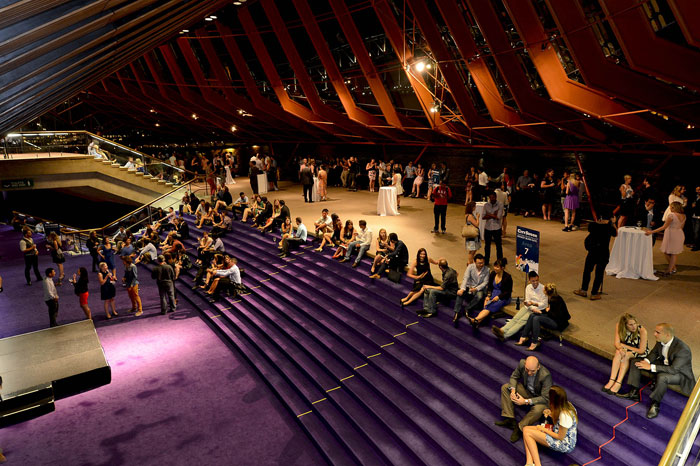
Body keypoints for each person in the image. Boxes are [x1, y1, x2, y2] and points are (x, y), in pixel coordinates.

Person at [617, 323, 695, 419]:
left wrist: (650, 367)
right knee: (635, 362)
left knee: (662, 377)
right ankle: (634, 392)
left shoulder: (683, 349)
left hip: (679, 374)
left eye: (657, 332)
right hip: (664, 365)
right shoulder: (660, 340)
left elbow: (673, 369)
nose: (654, 334)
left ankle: (655, 404)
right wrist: (645, 362)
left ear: (667, 335)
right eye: (655, 331)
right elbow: (653, 353)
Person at [495, 356, 552, 443]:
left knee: (538, 409)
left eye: (532, 371)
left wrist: (525, 401)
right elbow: (514, 377)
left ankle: (519, 428)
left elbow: (545, 398)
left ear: (538, 367)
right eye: (527, 369)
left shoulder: (545, 375)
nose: (529, 373)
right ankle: (510, 419)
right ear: (525, 364)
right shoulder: (522, 363)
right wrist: (513, 391)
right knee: (506, 387)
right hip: (527, 391)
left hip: (539, 398)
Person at [522, 385, 578, 466]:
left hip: (564, 443)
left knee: (528, 433)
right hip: (557, 430)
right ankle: (529, 463)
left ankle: (538, 464)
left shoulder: (565, 415)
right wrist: (550, 413)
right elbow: (559, 418)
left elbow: (560, 437)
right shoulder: (567, 404)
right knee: (526, 428)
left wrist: (543, 429)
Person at [573, 213, 618, 300]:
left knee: (587, 271)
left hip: (592, 251)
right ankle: (594, 293)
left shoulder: (592, 225)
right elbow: (615, 234)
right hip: (603, 253)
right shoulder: (609, 227)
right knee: (599, 273)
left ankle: (583, 290)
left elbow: (591, 230)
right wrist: (613, 223)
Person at [602, 313, 648, 395]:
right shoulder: (619, 326)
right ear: (625, 325)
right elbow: (616, 343)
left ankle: (618, 382)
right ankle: (612, 380)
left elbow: (641, 351)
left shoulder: (642, 330)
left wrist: (624, 347)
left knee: (626, 355)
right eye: (630, 325)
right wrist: (621, 349)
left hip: (638, 351)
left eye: (635, 323)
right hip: (626, 348)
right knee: (618, 352)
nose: (634, 326)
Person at [515, 283, 570, 351]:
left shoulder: (555, 300)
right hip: (552, 317)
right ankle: (523, 336)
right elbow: (548, 310)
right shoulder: (551, 297)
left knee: (536, 318)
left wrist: (547, 311)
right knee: (532, 315)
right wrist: (541, 311)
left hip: (557, 323)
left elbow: (556, 316)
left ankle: (535, 342)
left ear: (546, 292)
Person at [646, 201, 685, 276]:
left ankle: (670, 270)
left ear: (674, 207)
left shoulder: (672, 215)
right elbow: (681, 227)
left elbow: (663, 227)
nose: (670, 209)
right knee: (672, 253)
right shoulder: (683, 216)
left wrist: (651, 232)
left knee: (669, 252)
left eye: (671, 207)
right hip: (679, 234)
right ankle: (672, 268)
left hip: (671, 234)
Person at [452, 254, 489, 328]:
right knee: (460, 293)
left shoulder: (487, 270)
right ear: (475, 262)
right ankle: (457, 312)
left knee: (479, 296)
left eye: (482, 263)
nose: (481, 264)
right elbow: (465, 278)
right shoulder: (470, 267)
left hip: (479, 288)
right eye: (479, 263)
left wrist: (476, 288)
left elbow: (485, 282)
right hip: (470, 286)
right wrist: (462, 289)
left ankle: (467, 308)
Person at [482, 191, 503, 265]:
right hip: (488, 228)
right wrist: (493, 214)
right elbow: (483, 216)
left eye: (493, 197)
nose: (491, 199)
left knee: (498, 245)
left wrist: (489, 215)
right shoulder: (486, 205)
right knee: (487, 246)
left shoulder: (500, 205)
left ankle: (500, 261)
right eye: (490, 198)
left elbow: (498, 217)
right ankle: (486, 260)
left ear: (496, 197)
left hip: (497, 228)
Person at [690, 185, 700, 251]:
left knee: (697, 231)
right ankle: (694, 244)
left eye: (698, 190)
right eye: (696, 190)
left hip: (699, 216)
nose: (697, 191)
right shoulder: (696, 197)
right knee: (694, 231)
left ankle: (697, 246)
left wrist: (696, 206)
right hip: (693, 215)